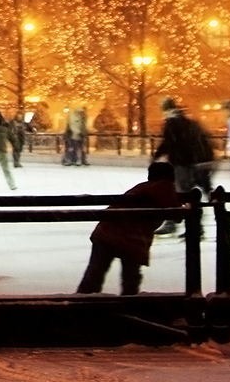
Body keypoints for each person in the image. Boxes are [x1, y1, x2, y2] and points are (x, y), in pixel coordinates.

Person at [76, 162, 181, 296]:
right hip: (130, 237)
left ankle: (82, 301)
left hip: (107, 231)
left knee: (96, 272)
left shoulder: (144, 187)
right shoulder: (162, 186)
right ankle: (129, 304)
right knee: (131, 276)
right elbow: (176, 213)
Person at [152, 96, 214, 236]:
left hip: (180, 163)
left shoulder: (172, 123)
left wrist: (156, 155)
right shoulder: (185, 121)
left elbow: (170, 143)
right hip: (189, 162)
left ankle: (180, 224)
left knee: (180, 194)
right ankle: (192, 224)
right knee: (187, 194)